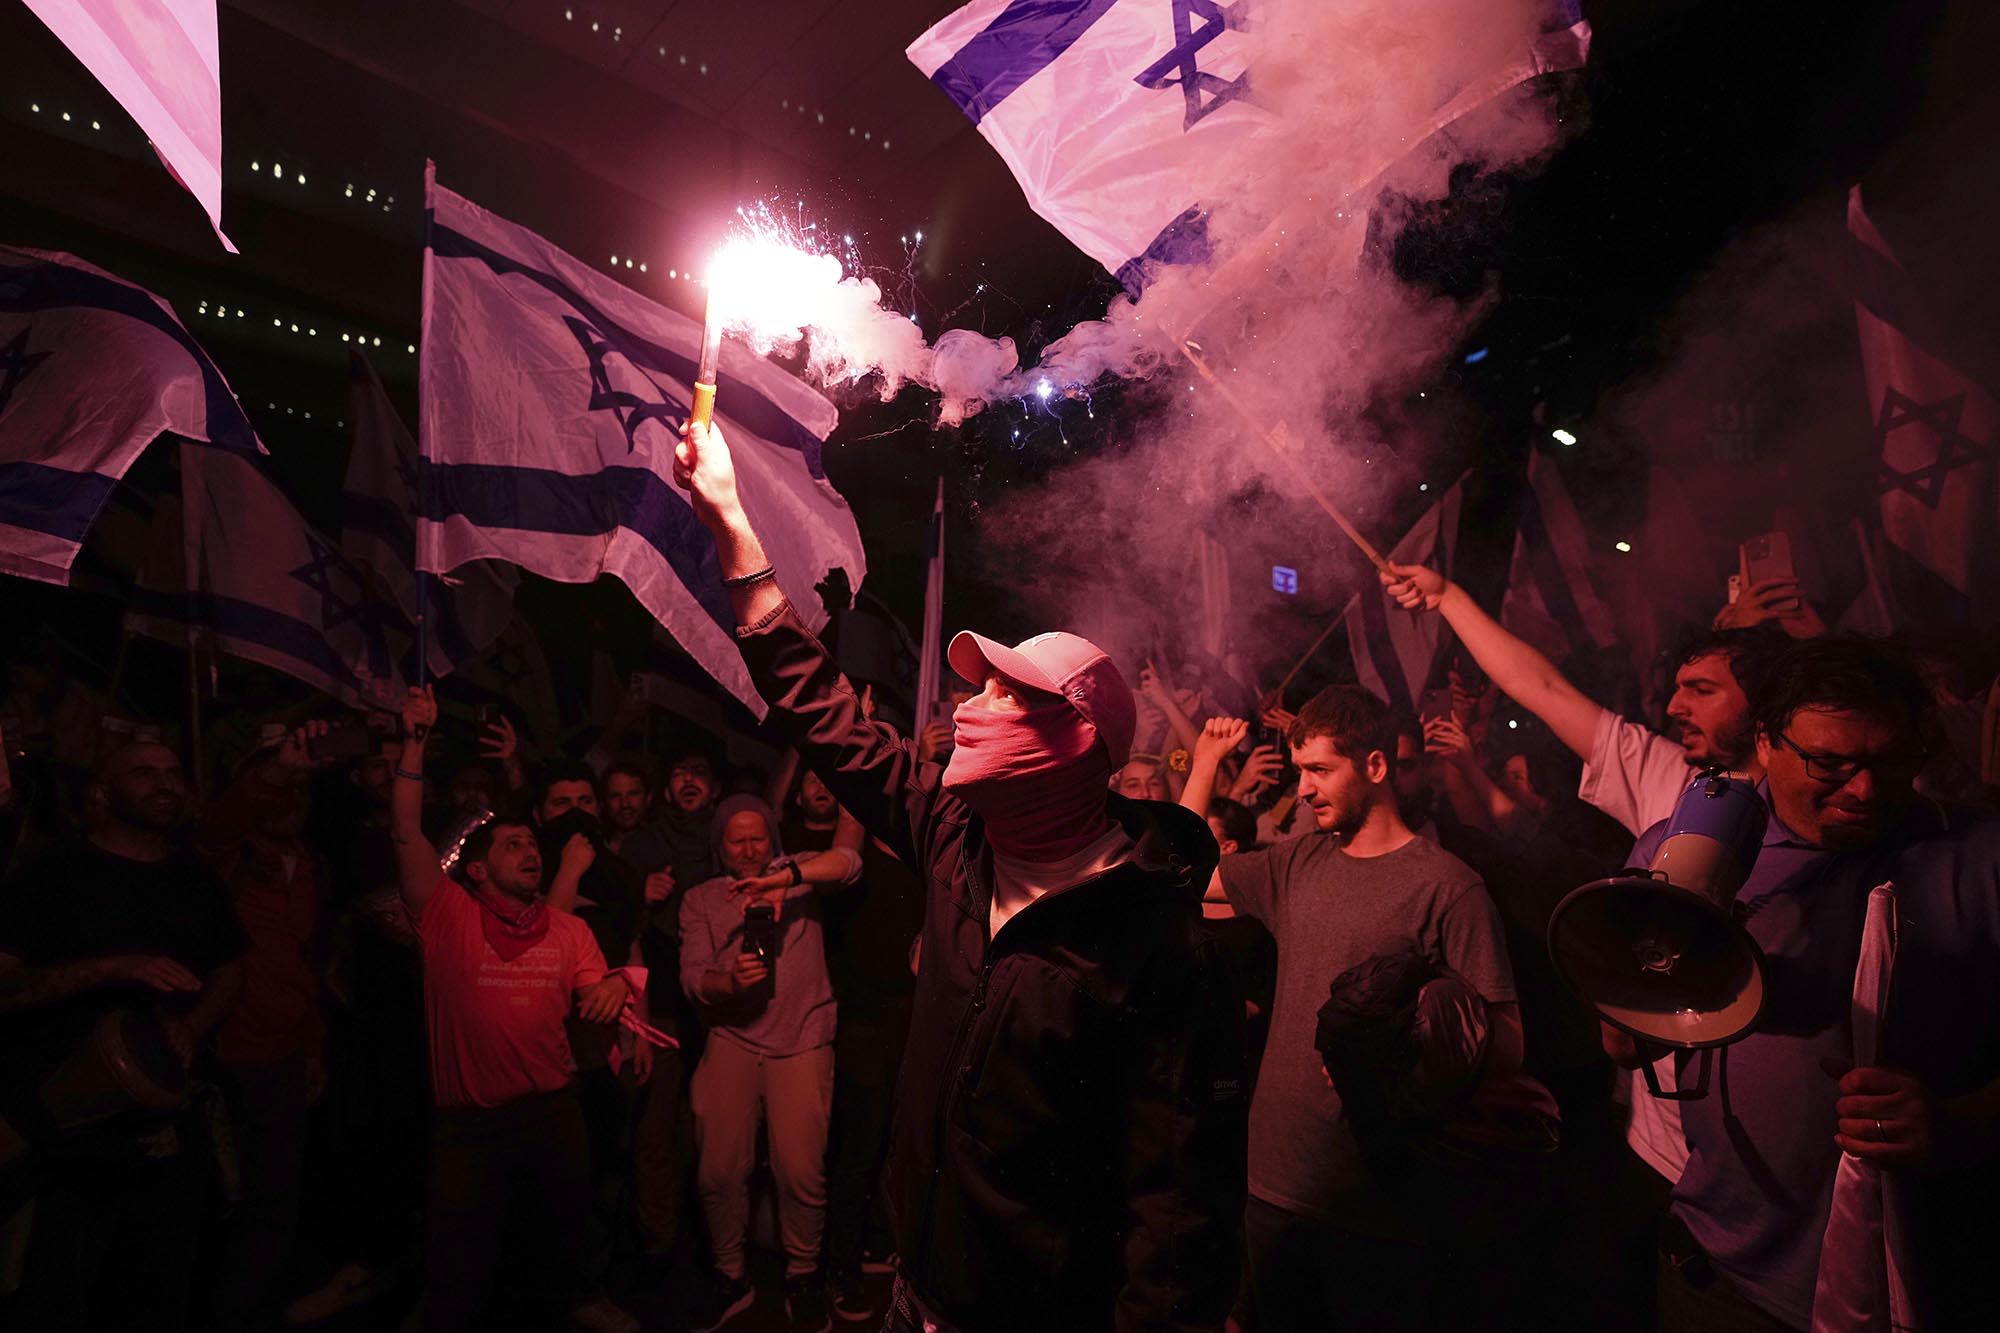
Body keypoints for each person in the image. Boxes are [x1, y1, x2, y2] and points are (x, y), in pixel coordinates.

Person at [674, 416, 1247, 1333]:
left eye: (1004, 691)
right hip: (915, 1289)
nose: (967, 702)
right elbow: (817, 708)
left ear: (1077, 747)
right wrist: (731, 524)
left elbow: (1175, 1215)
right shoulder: (951, 834)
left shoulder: (1159, 945)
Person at [1381, 562, 1791, 1199]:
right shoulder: (1665, 777)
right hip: (1658, 1146)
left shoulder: (1816, 812)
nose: (1675, 705)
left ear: (1767, 707)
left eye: (1703, 690)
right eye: (1677, 688)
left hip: (1771, 1159)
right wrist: (1449, 597)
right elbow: (1538, 685)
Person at [1630, 636, 2000, 1331]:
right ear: (1766, 740)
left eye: (1888, 761)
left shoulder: (1978, 860)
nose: (1863, 789)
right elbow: (1622, 1045)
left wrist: (1964, 1122)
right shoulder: (1679, 853)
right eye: (1829, 762)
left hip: (1930, 1285)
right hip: (1724, 1283)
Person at [1199, 686, 1524, 1331]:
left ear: (1375, 767)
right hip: (1270, 1178)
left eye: (1320, 770)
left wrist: (1412, 1061)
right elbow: (1184, 879)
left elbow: (1507, 1042)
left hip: (1377, 1203)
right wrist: (1204, 762)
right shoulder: (1300, 860)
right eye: (1300, 773)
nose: (1306, 789)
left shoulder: (1449, 888)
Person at [387, 685, 636, 1333]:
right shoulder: (447, 916)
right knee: (462, 1277)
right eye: (512, 845)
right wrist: (414, 739)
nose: (531, 851)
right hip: (469, 1128)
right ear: (473, 870)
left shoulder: (565, 930)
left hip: (553, 1118)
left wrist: (614, 990)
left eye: (533, 844)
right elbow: (405, 831)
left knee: (547, 1269)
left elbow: (596, 995)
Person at [0, 739, 248, 1332]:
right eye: (143, 773)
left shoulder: (194, 877)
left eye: (172, 772)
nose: (164, 784)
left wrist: (193, 1026)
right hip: (69, 1127)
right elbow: (6, 987)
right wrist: (112, 968)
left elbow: (231, 967)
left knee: (155, 1293)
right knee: (56, 1292)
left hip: (168, 1121)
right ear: (104, 792)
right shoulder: (52, 870)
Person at [679, 794, 861, 1333]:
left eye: (758, 836)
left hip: (802, 1035)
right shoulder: (702, 899)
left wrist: (786, 877)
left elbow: (848, 863)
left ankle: (802, 1273)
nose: (750, 847)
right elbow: (691, 976)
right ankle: (730, 1274)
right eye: (737, 839)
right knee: (718, 1168)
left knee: (801, 1171)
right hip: (733, 1035)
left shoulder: (799, 877)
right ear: (721, 847)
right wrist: (728, 981)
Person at [198, 724, 334, 1332]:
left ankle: (251, 1315)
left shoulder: (311, 867)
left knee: (274, 1204)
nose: (290, 798)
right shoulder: (223, 855)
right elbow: (221, 824)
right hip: (223, 1055)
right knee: (219, 1203)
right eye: (281, 784)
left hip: (281, 1058)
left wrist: (312, 1049)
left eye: (302, 787)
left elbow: (308, 963)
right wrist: (276, 768)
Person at [781, 768, 925, 1323]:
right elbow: (845, 865)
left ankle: (887, 1247)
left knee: (900, 1139)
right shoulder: (849, 848)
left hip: (911, 1012)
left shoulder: (918, 842)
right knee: (859, 1146)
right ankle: (839, 1269)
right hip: (861, 1015)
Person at [620, 744, 721, 1273]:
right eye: (679, 770)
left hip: (718, 1007)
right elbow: (616, 920)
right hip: (658, 1004)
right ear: (665, 788)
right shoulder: (644, 844)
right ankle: (659, 1243)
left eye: (698, 771)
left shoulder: (725, 839)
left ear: (715, 787)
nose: (688, 780)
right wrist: (640, 894)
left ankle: (713, 1237)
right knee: (656, 1126)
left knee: (709, 1126)